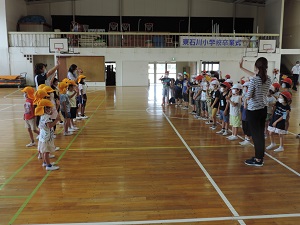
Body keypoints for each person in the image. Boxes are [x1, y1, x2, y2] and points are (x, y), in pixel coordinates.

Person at [240, 57, 271, 166]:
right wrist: (241, 67)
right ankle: (259, 156)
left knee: (256, 135)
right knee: (260, 134)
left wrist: (244, 98)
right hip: (263, 109)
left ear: (256, 67)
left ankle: (258, 160)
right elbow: (256, 76)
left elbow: (249, 96)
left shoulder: (254, 80)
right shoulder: (268, 79)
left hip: (253, 110)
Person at [35, 99, 60, 171]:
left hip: (43, 136)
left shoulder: (42, 115)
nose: (50, 109)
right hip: (46, 137)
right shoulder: (46, 117)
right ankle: (48, 166)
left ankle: (45, 162)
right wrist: (56, 120)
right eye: (48, 107)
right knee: (46, 152)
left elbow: (51, 114)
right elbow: (50, 126)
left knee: (44, 151)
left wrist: (57, 106)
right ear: (44, 108)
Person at [239, 82, 252, 146]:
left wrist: (245, 101)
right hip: (243, 109)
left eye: (245, 87)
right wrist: (241, 98)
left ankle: (248, 138)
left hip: (247, 110)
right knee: (244, 125)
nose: (244, 88)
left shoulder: (249, 95)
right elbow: (241, 103)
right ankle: (245, 138)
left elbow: (246, 104)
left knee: (247, 125)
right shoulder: (244, 94)